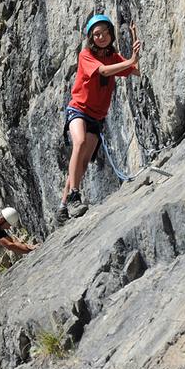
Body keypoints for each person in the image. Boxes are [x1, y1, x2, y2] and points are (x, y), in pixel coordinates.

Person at [57, 14, 142, 224]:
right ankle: (75, 196)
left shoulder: (113, 57)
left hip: (96, 116)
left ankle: (63, 205)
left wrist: (134, 43)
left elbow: (136, 71)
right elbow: (103, 71)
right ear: (91, 38)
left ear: (111, 34)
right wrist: (130, 60)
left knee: (84, 163)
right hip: (78, 109)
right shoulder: (86, 55)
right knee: (80, 143)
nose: (101, 37)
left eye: (105, 32)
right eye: (96, 34)